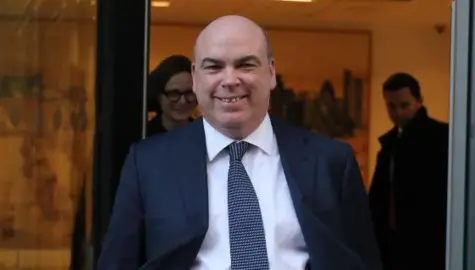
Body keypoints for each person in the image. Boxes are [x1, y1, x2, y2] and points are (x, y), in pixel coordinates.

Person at [97, 15, 381, 270]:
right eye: (214, 67)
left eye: (245, 64)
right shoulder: (148, 164)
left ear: (270, 73)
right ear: (195, 78)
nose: (230, 80)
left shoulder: (331, 162)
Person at [368, 73, 449, 270]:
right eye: (391, 106)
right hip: (395, 245)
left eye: (405, 105)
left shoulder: (441, 137)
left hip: (427, 245)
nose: (398, 113)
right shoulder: (391, 145)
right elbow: (378, 200)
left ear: (419, 102)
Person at [146, 54, 197, 137]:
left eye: (189, 93)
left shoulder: (205, 136)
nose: (183, 101)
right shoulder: (143, 137)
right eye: (174, 93)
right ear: (159, 97)